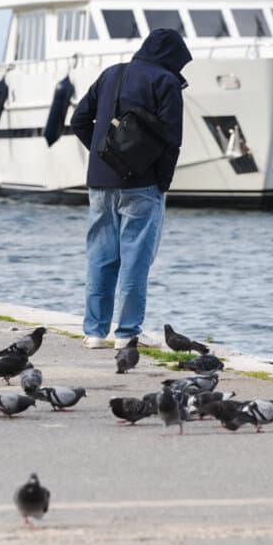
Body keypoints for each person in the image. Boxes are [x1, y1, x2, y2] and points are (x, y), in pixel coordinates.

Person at [69, 28, 191, 349]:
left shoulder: (111, 74)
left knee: (100, 257)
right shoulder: (166, 83)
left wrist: (103, 153)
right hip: (142, 183)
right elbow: (171, 142)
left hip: (100, 181)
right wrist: (161, 183)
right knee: (135, 260)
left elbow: (79, 120)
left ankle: (94, 333)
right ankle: (126, 334)